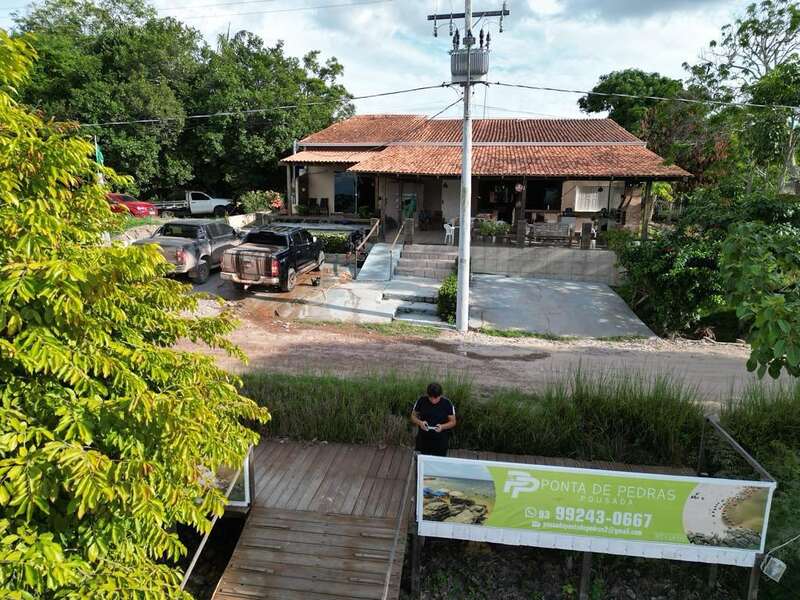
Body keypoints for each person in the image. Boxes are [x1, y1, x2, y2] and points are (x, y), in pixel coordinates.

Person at [411, 382, 456, 456]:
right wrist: (420, 423)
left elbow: (453, 422)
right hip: (423, 439)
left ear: (440, 395)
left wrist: (442, 426)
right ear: (427, 395)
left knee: (439, 463)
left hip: (440, 440)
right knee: (421, 462)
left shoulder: (447, 403)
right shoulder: (421, 401)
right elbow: (413, 417)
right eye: (431, 398)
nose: (433, 401)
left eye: (436, 398)